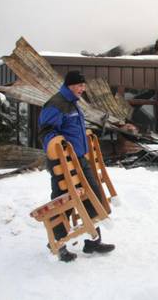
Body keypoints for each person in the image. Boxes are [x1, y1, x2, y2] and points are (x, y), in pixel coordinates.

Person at [38, 70, 115, 262]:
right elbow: (46, 133)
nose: (83, 89)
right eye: (80, 85)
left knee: (92, 195)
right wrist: (59, 146)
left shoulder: (73, 103)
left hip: (79, 159)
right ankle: (58, 243)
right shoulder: (56, 104)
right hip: (62, 162)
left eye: (83, 85)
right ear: (70, 86)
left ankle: (93, 242)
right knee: (63, 201)